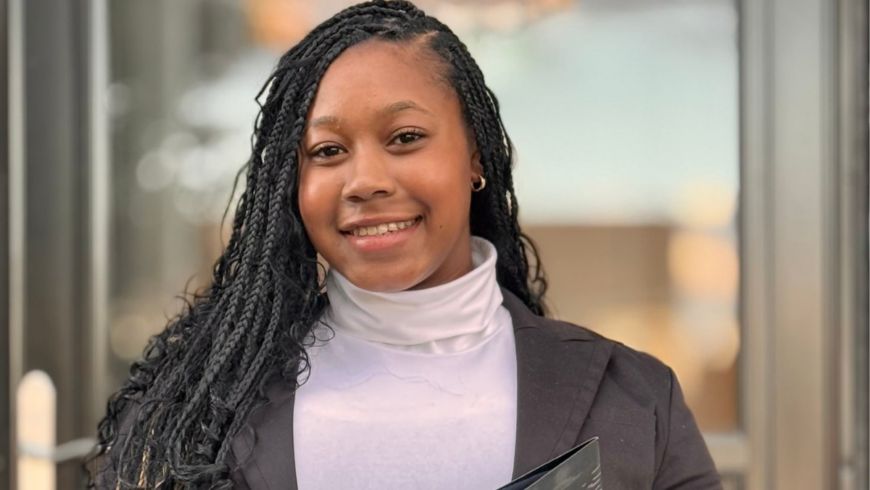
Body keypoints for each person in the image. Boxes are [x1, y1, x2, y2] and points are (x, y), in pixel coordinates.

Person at [89, 1, 722, 489]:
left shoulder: (634, 398)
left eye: (405, 137)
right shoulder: (205, 414)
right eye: (328, 152)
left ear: (474, 153)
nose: (365, 181)